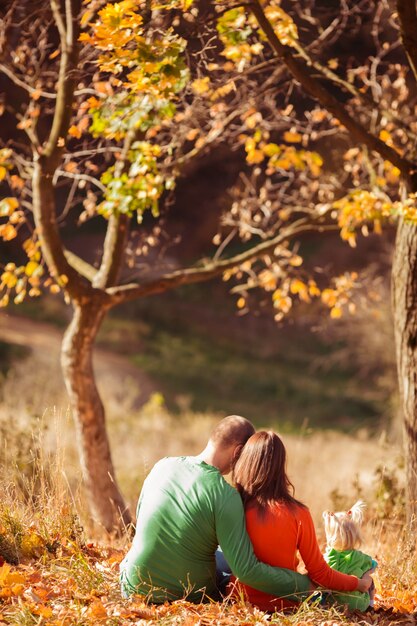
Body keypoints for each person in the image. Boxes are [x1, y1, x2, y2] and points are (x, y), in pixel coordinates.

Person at [119, 415, 314, 603]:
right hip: (188, 593)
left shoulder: (162, 465)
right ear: (238, 452)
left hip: (132, 585)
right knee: (230, 565)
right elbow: (246, 571)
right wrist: (305, 584)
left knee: (220, 551)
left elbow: (142, 519)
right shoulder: (225, 495)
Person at [230, 431, 373, 612]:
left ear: (246, 462)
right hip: (284, 604)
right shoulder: (298, 513)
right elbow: (320, 573)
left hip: (240, 602)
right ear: (281, 466)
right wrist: (358, 583)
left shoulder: (234, 506)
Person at [323, 500, 377, 611]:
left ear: (331, 536)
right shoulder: (360, 556)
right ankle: (371, 606)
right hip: (360, 605)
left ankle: (322, 606)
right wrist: (368, 571)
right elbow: (373, 564)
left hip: (336, 605)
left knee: (322, 589)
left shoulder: (331, 556)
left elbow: (325, 575)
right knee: (371, 581)